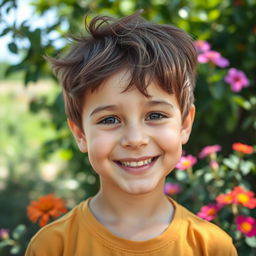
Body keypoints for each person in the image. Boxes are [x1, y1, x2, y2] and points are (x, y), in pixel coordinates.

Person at [25, 11, 237, 256]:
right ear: (80, 134)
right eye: (110, 119)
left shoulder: (212, 247)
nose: (135, 139)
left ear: (185, 124)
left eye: (155, 115)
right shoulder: (52, 247)